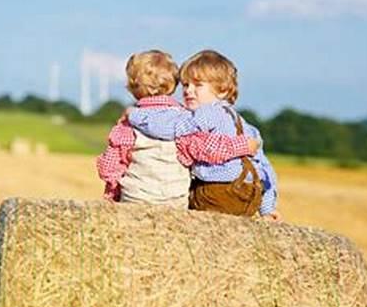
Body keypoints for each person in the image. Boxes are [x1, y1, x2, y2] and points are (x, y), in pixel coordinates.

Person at [128, 49, 280, 220]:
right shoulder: (246, 126)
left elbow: (171, 128)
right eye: (185, 85)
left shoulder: (206, 113)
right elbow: (264, 169)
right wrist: (268, 208)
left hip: (216, 193)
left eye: (198, 85)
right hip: (248, 195)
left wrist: (134, 115)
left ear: (222, 90)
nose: (188, 91)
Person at [96, 49, 259, 207]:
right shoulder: (186, 118)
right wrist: (242, 145)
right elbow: (207, 149)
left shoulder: (127, 124)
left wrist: (112, 194)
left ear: (132, 87)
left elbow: (109, 166)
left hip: (135, 198)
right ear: (173, 84)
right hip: (175, 201)